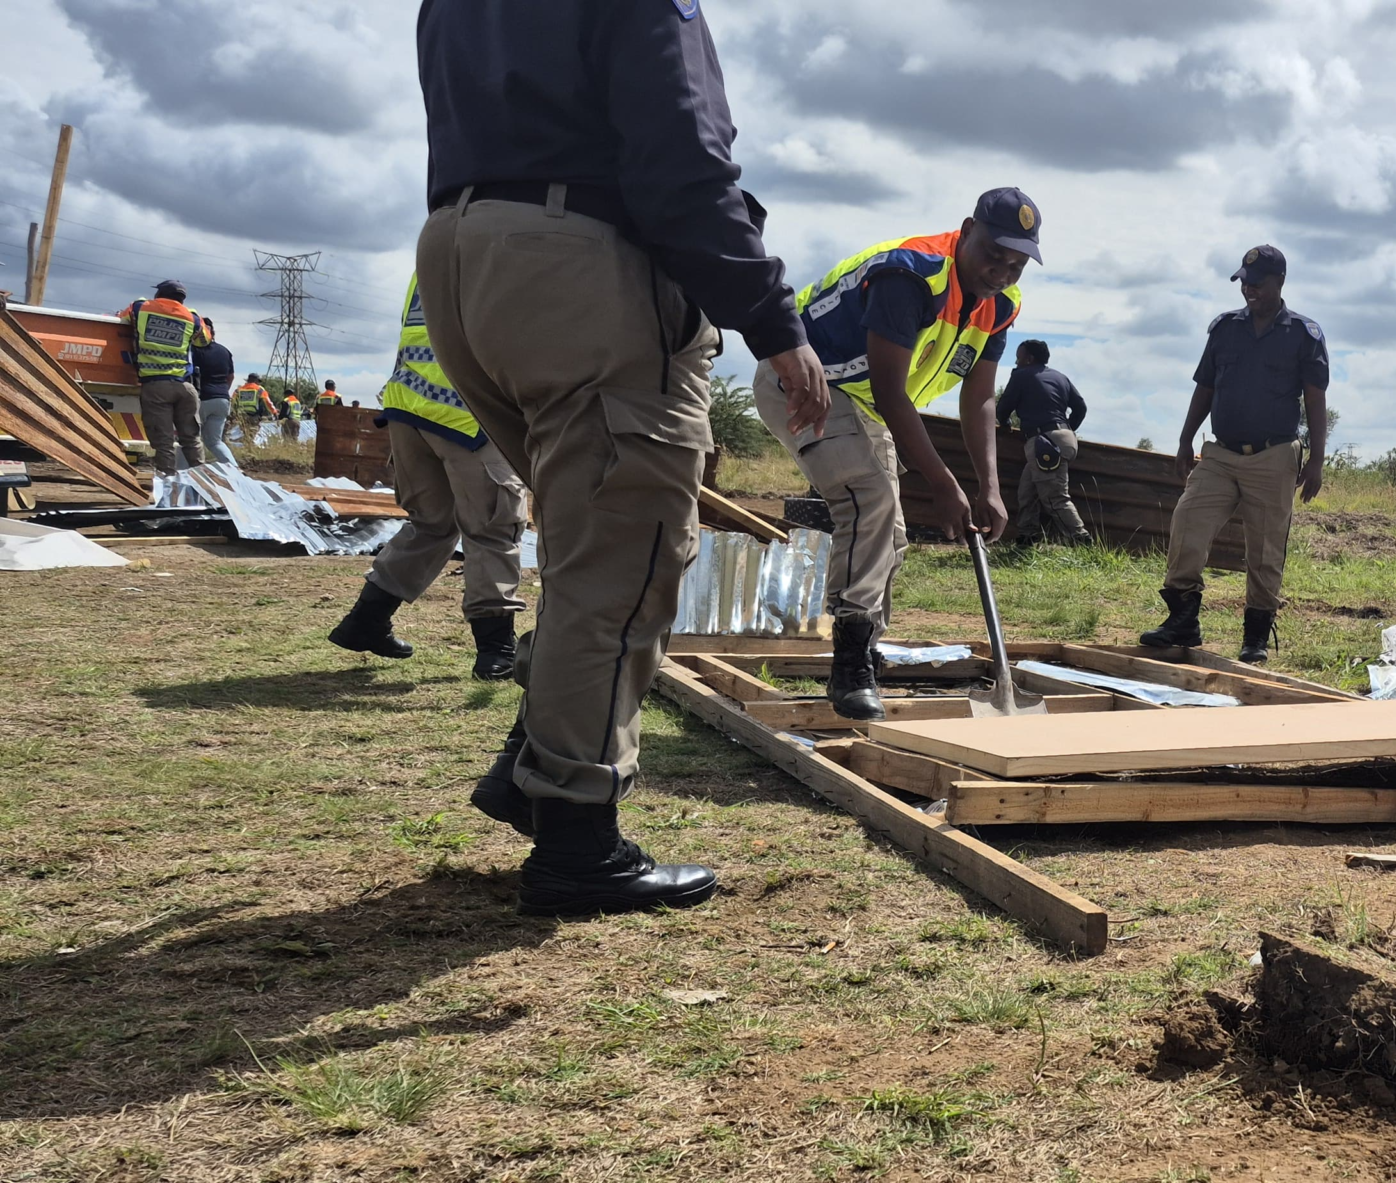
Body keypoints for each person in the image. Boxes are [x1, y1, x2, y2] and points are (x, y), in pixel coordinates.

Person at [416, 0, 830, 915]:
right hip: (581, 265)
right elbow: (681, 157)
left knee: (583, 540)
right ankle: (576, 838)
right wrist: (770, 319)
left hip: (460, 255)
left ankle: (536, 772)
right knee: (621, 561)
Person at [752, 188, 1033, 720]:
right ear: (967, 230)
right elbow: (889, 388)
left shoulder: (1001, 306)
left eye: (1016, 263)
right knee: (870, 499)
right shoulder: (911, 275)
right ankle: (850, 663)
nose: (1001, 269)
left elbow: (979, 399)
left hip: (865, 403)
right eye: (994, 253)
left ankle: (862, 650)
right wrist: (945, 485)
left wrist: (990, 487)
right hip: (804, 379)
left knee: (890, 531)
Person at [328, 275, 530, 680]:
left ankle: (365, 621)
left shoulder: (433, 258)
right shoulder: (506, 252)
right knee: (493, 526)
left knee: (431, 525)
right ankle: (496, 651)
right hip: (468, 413)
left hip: (409, 406)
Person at [1138, 245, 1328, 664]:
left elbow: (1315, 398)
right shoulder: (1225, 329)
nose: (1248, 289)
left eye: (1256, 282)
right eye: (1243, 281)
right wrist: (1186, 438)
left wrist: (1316, 458)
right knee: (1188, 520)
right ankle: (1183, 621)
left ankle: (1255, 638)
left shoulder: (1302, 333)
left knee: (1264, 548)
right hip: (1220, 454)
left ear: (1279, 282)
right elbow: (1205, 386)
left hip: (1274, 455)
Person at [993, 338, 1089, 545]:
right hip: (1064, 438)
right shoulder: (1060, 377)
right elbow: (1081, 408)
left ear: (1029, 359)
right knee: (1027, 491)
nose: (1016, 362)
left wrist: (1005, 423)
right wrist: (1067, 429)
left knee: (1054, 497)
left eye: (1019, 358)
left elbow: (1003, 407)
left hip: (1043, 441)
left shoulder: (1021, 376)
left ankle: (1080, 539)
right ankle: (1027, 537)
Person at [117, 280, 210, 476]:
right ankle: (203, 483)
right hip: (186, 387)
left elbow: (121, 318)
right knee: (192, 439)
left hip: (156, 386)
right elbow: (204, 340)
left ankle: (168, 483)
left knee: (164, 441)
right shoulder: (192, 317)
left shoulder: (140, 307)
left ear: (159, 294)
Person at [192, 317, 239, 467]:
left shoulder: (194, 351)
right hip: (222, 400)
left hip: (202, 399)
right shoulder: (225, 351)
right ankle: (235, 470)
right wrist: (223, 390)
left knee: (190, 439)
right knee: (214, 441)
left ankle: (185, 473)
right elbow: (231, 376)